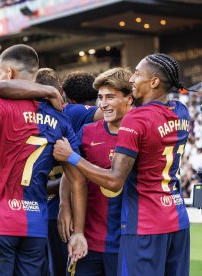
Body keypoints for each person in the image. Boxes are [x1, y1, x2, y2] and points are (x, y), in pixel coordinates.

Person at [0, 44, 84, 275]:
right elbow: (78, 181)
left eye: (1, 73)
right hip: (34, 225)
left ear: (8, 73)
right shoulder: (60, 119)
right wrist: (78, 231)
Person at [53, 53, 190, 275]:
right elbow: (72, 178)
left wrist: (72, 156)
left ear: (153, 82)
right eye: (100, 97)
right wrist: (64, 205)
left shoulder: (136, 121)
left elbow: (115, 180)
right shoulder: (180, 111)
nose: (133, 79)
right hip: (175, 217)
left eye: (137, 74)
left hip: (143, 223)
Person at [63, 68, 133, 275]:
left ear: (129, 99)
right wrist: (64, 206)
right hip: (88, 241)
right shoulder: (87, 132)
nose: (103, 104)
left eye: (110, 97)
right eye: (100, 97)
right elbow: (71, 172)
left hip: (127, 242)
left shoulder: (141, 133)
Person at [40, 70, 102, 276]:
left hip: (50, 207)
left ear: (64, 92)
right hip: (74, 206)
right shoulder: (74, 112)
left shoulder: (43, 114)